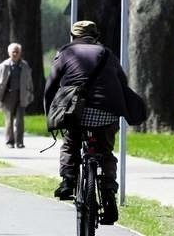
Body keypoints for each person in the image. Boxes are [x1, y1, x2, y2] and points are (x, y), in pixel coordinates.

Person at [44, 21, 126, 225]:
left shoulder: (65, 53)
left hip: (76, 112)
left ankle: (68, 180)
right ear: (96, 36)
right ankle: (108, 189)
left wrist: (51, 113)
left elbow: (51, 85)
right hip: (107, 112)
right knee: (106, 153)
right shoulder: (108, 54)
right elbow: (123, 82)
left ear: (72, 36)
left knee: (71, 143)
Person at [0, 43, 34, 148]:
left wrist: (30, 94)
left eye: (17, 52)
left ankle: (20, 142)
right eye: (13, 52)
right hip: (7, 96)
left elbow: (29, 82)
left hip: (21, 96)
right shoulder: (4, 66)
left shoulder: (25, 66)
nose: (15, 54)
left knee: (20, 121)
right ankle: (10, 142)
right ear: (9, 53)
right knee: (9, 120)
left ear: (20, 53)